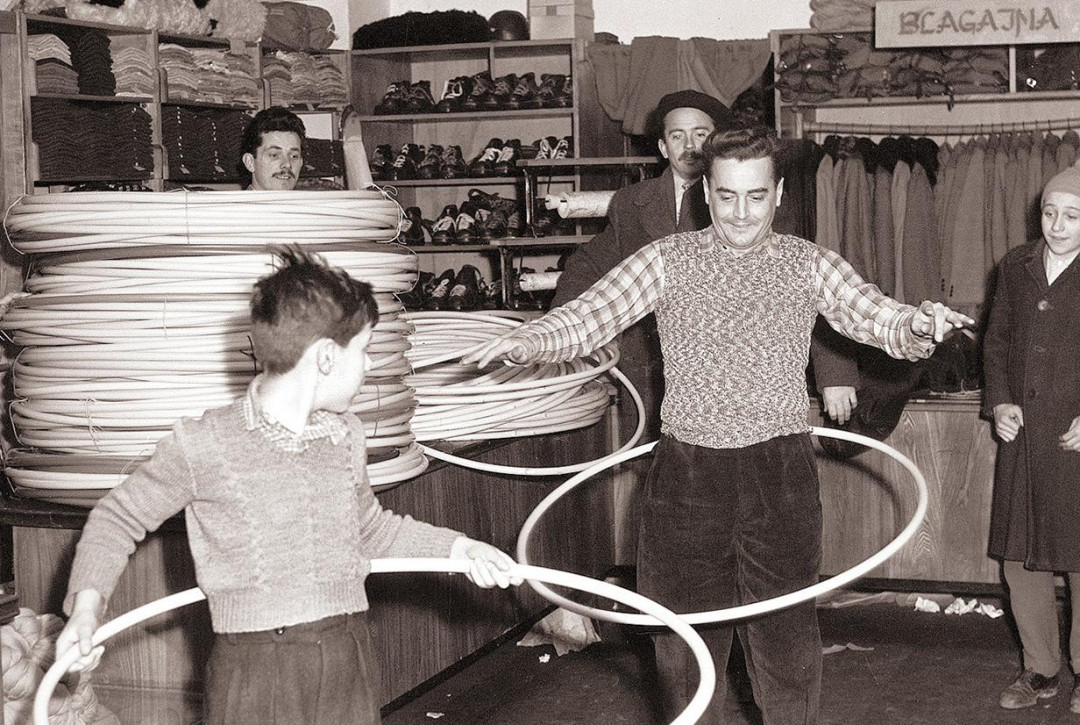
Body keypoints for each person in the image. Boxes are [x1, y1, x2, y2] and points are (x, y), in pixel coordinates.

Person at [466, 125, 973, 725]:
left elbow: (874, 315)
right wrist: (531, 340)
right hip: (687, 478)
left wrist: (919, 326)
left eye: (756, 195)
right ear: (706, 192)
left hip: (777, 474)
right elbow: (589, 316)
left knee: (784, 645)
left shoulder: (806, 263)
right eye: (727, 195)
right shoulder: (667, 260)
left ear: (779, 193)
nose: (741, 211)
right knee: (683, 651)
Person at [55, 249, 523, 725]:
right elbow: (117, 518)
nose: (367, 368)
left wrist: (458, 549)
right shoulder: (205, 443)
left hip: (347, 652)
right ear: (324, 358)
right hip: (257, 669)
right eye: (363, 351)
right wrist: (87, 608)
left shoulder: (345, 436)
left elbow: (370, 531)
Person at [553, 91, 861, 442]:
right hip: (648, 377)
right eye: (677, 135)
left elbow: (809, 284)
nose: (690, 147)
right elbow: (589, 265)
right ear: (662, 146)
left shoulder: (754, 203)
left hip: (741, 383)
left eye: (701, 135)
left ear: (715, 142)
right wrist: (561, 341)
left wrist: (835, 373)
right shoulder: (631, 203)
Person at [983, 157, 1080, 717]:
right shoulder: (1015, 267)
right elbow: (994, 346)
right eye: (1050, 212)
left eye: (1072, 215)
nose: (1058, 224)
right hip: (1025, 444)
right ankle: (1040, 669)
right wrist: (1000, 402)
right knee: (1020, 562)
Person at [240, 106, 306, 191]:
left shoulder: (312, 203)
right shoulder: (236, 204)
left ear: (301, 162)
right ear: (250, 162)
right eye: (274, 155)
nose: (287, 164)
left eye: (294, 156)